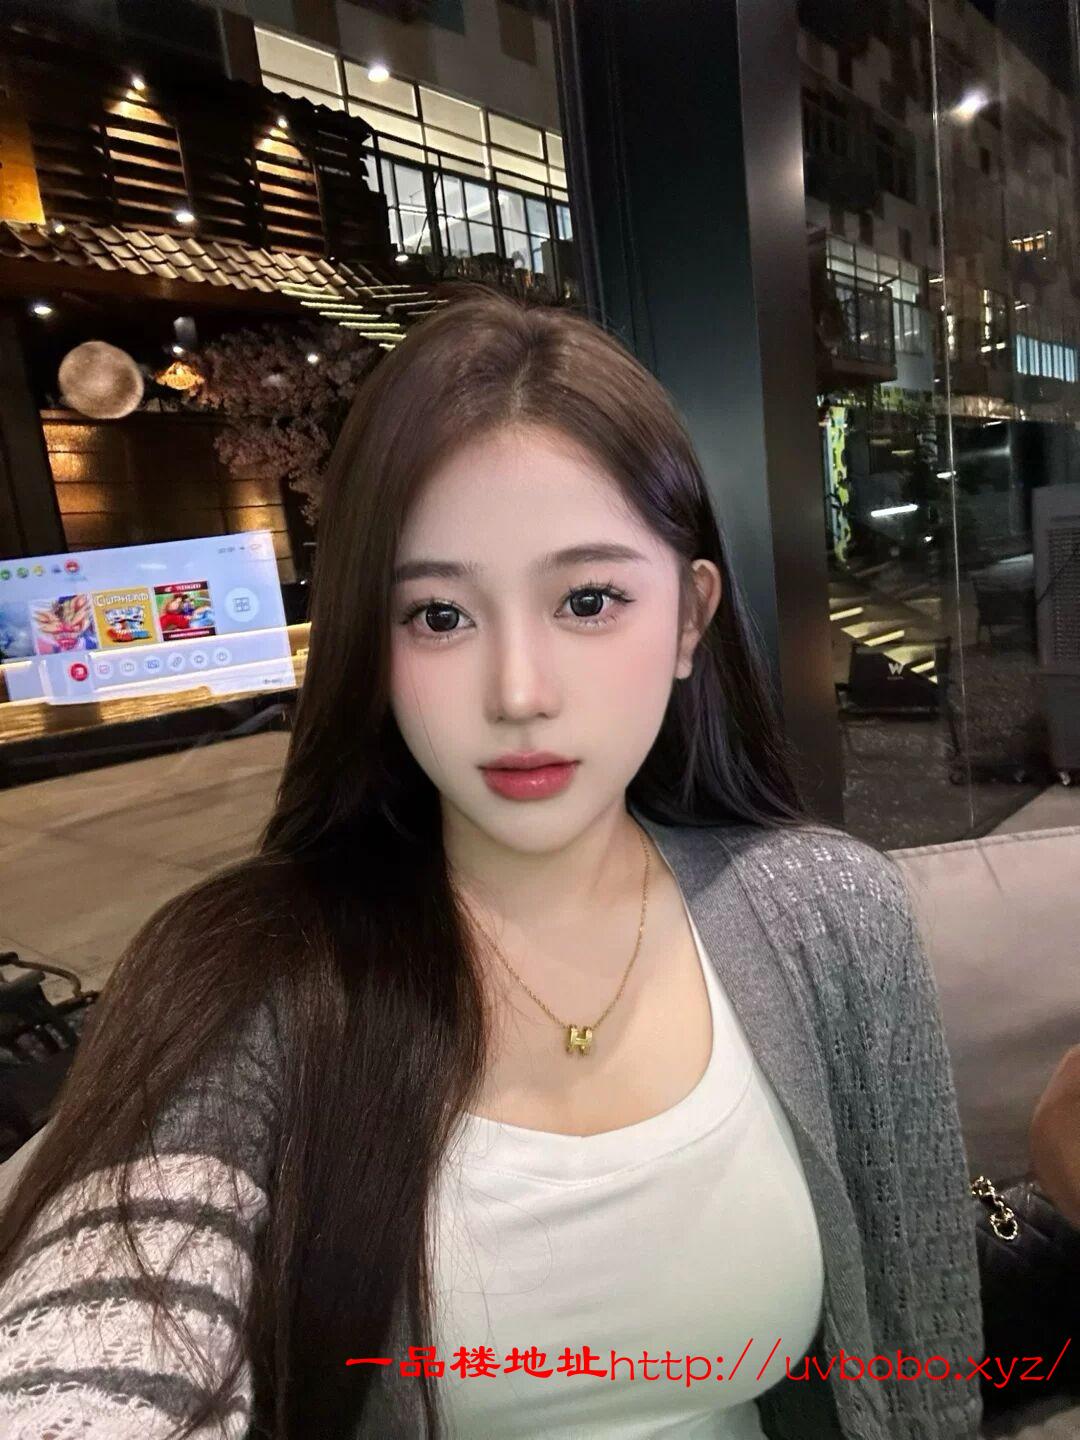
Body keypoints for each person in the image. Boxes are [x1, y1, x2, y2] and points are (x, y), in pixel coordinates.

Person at [0, 287, 983, 1439]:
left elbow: (927, 1360)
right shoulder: (255, 975)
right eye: (439, 617)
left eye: (587, 600)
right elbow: (112, 1313)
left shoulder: (832, 915)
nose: (519, 693)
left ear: (688, 618)